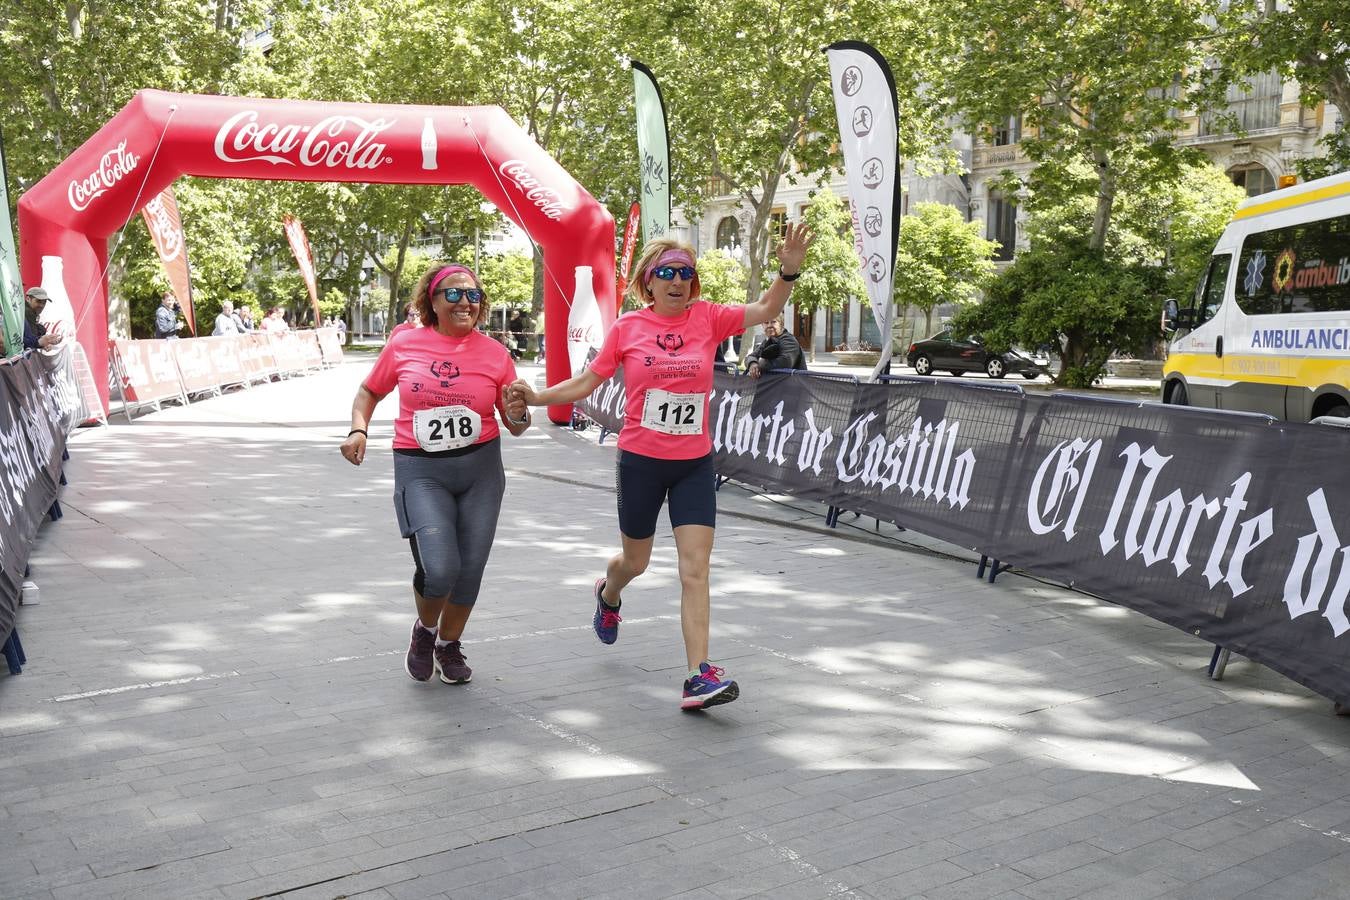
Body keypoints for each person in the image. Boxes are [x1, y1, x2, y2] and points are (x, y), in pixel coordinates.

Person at [506, 224, 814, 711]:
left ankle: (698, 676)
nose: (677, 281)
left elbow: (767, 310)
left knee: (695, 570)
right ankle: (609, 594)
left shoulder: (709, 318)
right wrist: (540, 397)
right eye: (666, 272)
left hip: (692, 464)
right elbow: (588, 381)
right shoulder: (629, 327)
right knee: (636, 562)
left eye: (686, 274)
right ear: (648, 280)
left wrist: (788, 270)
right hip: (641, 463)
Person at [340, 263, 532, 686]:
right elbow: (370, 391)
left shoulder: (496, 354)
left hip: (481, 468)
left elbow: (515, 424)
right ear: (433, 298)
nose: (466, 302)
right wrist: (359, 428)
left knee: (471, 569)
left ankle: (449, 644)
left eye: (474, 296)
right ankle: (425, 632)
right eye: (455, 293)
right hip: (421, 468)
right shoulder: (405, 343)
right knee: (441, 567)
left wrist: (519, 414)